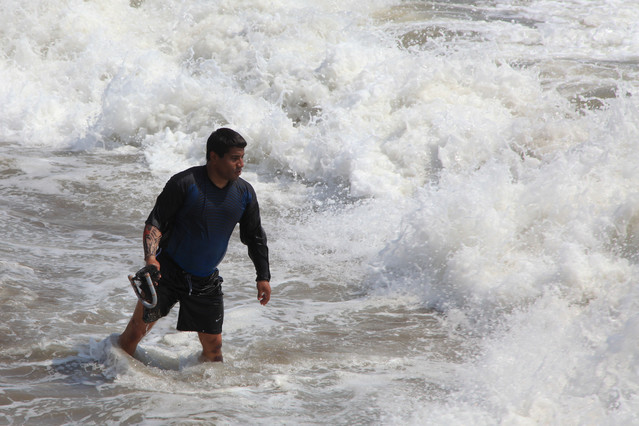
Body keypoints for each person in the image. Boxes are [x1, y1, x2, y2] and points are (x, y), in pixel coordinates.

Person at [118, 128, 271, 362]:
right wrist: (151, 258)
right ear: (213, 157)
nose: (240, 164)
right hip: (166, 273)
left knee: (214, 349)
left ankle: (207, 395)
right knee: (135, 333)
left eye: (242, 158)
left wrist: (263, 276)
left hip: (204, 280)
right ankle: (111, 378)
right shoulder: (185, 183)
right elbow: (156, 222)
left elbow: (254, 236)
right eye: (234, 158)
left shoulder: (244, 193)